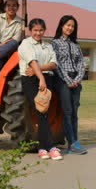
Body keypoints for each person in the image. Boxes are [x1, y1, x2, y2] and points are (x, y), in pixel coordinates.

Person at [19, 18, 63, 160]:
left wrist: (40, 71)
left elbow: (53, 64)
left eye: (41, 30)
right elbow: (32, 62)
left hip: (46, 78)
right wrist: (40, 78)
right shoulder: (25, 44)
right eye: (35, 30)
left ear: (44, 30)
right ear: (30, 30)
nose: (38, 33)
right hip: (31, 81)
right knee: (40, 111)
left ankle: (42, 148)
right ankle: (51, 147)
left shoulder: (48, 46)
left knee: (44, 113)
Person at [52, 15, 87, 155]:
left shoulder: (76, 45)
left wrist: (77, 79)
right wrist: (68, 80)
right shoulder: (54, 44)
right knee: (67, 112)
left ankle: (75, 141)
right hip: (62, 81)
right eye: (68, 25)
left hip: (76, 80)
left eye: (72, 26)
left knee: (74, 113)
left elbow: (81, 64)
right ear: (62, 26)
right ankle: (71, 143)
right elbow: (57, 64)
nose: (70, 28)